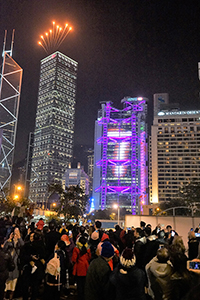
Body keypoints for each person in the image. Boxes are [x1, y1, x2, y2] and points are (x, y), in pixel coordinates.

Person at [4, 227, 24, 300]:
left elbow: (23, 246)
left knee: (13, 286)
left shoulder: (19, 243)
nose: (15, 235)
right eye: (15, 233)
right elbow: (4, 248)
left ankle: (10, 298)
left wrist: (19, 237)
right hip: (8, 267)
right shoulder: (9, 242)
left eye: (17, 233)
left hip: (15, 268)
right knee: (6, 286)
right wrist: (9, 239)